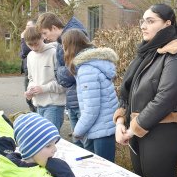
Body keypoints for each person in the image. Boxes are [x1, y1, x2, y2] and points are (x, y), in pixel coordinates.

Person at [113, 4, 177, 177]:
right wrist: (120, 123)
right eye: (143, 21)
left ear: (167, 24)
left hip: (161, 136)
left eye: (150, 21)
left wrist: (133, 129)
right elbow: (127, 93)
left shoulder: (176, 58)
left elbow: (164, 99)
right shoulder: (146, 55)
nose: (143, 26)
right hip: (137, 134)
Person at [61, 29, 118, 162]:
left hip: (101, 129)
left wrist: (78, 131)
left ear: (70, 47)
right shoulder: (89, 65)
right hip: (102, 127)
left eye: (64, 46)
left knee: (104, 171)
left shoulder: (87, 70)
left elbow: (92, 109)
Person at [36, 12, 87, 141]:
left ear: (53, 27)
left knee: (84, 144)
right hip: (72, 99)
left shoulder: (73, 38)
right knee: (79, 143)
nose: (45, 38)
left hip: (80, 99)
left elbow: (71, 72)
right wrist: (61, 71)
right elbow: (64, 71)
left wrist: (59, 72)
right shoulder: (61, 42)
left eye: (45, 33)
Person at [23, 27, 66, 131]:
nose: (33, 47)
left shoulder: (54, 53)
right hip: (38, 105)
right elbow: (31, 79)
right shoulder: (30, 56)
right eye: (30, 45)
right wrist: (30, 90)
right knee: (44, 140)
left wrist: (44, 88)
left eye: (36, 44)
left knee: (51, 139)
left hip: (54, 105)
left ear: (42, 37)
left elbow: (63, 83)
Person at [19, 20, 37, 112]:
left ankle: (35, 113)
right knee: (28, 96)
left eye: (28, 26)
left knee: (32, 96)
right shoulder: (27, 39)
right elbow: (22, 54)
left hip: (33, 71)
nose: (26, 28)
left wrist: (22, 38)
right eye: (26, 26)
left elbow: (25, 51)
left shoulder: (34, 38)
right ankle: (33, 112)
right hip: (27, 71)